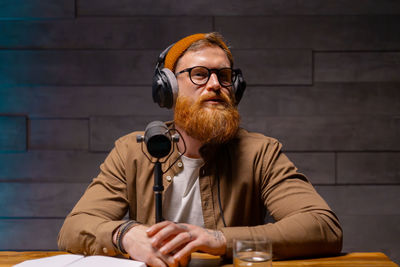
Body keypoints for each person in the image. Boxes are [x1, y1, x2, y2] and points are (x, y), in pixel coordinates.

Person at [58, 32, 342, 267]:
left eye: (224, 75)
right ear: (168, 88)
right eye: (199, 74)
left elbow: (322, 227)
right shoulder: (132, 151)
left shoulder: (260, 153)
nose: (215, 85)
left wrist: (219, 239)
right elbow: (74, 227)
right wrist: (127, 235)